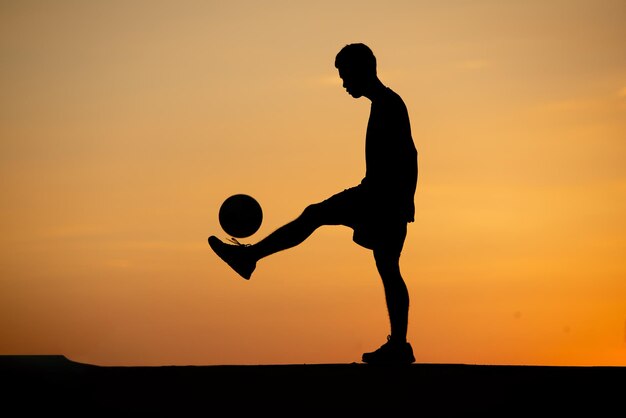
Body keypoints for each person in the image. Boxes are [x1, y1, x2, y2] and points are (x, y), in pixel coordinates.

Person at [208, 43, 418, 365]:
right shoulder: (385, 104)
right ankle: (400, 346)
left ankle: (249, 257)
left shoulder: (389, 105)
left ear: (362, 70)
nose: (344, 84)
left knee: (315, 215)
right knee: (388, 267)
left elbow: (410, 156)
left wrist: (403, 203)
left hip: (379, 198)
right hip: (383, 198)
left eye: (346, 76)